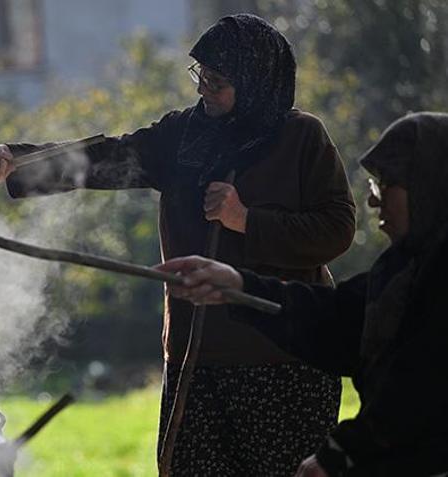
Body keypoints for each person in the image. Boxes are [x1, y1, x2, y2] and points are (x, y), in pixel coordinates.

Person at [0, 13, 355, 476]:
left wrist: (246, 220)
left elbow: (336, 230)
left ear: (256, 84)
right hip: (196, 357)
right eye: (200, 75)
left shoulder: (302, 137)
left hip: (285, 363)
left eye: (217, 82)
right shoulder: (182, 134)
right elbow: (109, 157)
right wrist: (16, 159)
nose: (203, 89)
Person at [158, 112, 448, 477]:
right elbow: (339, 320)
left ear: (429, 185)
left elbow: (420, 385)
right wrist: (239, 287)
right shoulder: (405, 269)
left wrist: (340, 453)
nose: (375, 202)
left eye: (386, 184)